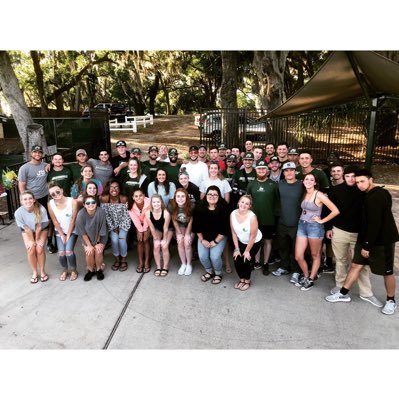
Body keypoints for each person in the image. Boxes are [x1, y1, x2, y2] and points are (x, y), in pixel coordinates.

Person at [325, 169, 399, 315]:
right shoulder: (367, 194)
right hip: (365, 238)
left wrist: (367, 246)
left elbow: (375, 223)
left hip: (382, 241)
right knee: (356, 265)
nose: (359, 184)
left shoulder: (378, 195)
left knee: (387, 271)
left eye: (362, 181)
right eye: (357, 182)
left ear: (371, 179)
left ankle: (391, 300)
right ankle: (343, 293)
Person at [295, 173, 339, 291]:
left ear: (315, 183)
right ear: (303, 181)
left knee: (315, 255)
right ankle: (305, 275)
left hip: (314, 227)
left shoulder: (319, 195)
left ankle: (311, 278)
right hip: (302, 225)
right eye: (306, 179)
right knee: (298, 256)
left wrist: (322, 221)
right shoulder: (304, 193)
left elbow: (335, 210)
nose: (308, 181)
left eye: (311, 179)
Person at [17, 145, 54, 253]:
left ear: (42, 154)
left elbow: (57, 164)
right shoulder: (24, 168)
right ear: (31, 153)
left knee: (48, 221)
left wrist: (50, 164)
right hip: (31, 199)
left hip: (44, 197)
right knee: (33, 222)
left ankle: (49, 242)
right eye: (35, 152)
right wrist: (25, 201)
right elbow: (21, 185)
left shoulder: (45, 165)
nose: (37, 154)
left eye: (39, 152)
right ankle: (33, 242)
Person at [246, 160, 279, 275]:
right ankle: (256, 261)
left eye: (263, 169)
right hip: (254, 218)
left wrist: (276, 217)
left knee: (267, 241)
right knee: (255, 240)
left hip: (268, 218)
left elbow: (277, 202)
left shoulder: (273, 185)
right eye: (259, 169)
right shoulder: (251, 184)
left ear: (267, 171)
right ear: (256, 170)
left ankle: (265, 263)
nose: (261, 171)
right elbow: (247, 201)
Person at [192, 185, 230, 285]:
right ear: (206, 195)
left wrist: (215, 241)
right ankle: (209, 271)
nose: (212, 196)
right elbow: (196, 226)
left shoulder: (224, 207)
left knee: (215, 256)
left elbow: (225, 229)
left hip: (219, 236)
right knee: (203, 256)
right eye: (209, 194)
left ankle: (218, 273)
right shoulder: (199, 206)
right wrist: (202, 240)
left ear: (219, 196)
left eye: (215, 194)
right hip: (204, 236)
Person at [273, 162, 303, 282]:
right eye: (286, 170)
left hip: (297, 223)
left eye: (291, 170)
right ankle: (284, 266)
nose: (289, 173)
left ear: (295, 171)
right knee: (283, 246)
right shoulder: (279, 184)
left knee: (296, 249)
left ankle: (296, 271)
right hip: (282, 222)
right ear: (283, 172)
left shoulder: (302, 185)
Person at [15, 191, 49, 283]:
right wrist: (32, 241)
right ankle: (34, 272)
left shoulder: (41, 209)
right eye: (25, 199)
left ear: (34, 200)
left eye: (30, 198)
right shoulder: (18, 212)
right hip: (27, 230)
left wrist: (37, 240)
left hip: (42, 229)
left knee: (39, 248)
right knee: (30, 249)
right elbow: (27, 229)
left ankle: (42, 271)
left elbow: (39, 227)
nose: (28, 201)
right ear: (21, 201)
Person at [47, 182, 79, 281]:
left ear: (62, 190)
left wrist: (68, 235)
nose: (56, 194)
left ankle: (73, 270)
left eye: (57, 191)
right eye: (53, 194)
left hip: (72, 230)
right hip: (59, 231)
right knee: (61, 252)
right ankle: (65, 270)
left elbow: (73, 219)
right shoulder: (50, 204)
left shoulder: (73, 202)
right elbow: (54, 221)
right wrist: (61, 234)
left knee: (68, 251)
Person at [230, 195, 263, 291]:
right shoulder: (232, 214)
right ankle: (242, 280)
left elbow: (253, 236)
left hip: (254, 241)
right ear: (238, 202)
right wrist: (236, 249)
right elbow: (233, 233)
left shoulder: (252, 217)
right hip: (241, 240)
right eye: (242, 202)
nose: (244, 205)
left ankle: (247, 281)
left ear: (249, 206)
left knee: (246, 260)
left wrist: (247, 251)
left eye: (247, 203)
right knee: (236, 260)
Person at [75, 194, 108, 281]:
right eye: (88, 203)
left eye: (93, 202)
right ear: (84, 205)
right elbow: (82, 232)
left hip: (100, 237)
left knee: (98, 251)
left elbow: (102, 229)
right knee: (89, 252)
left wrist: (97, 243)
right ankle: (90, 270)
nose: (91, 204)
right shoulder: (80, 214)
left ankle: (98, 269)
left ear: (96, 203)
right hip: (87, 238)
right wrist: (89, 245)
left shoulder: (101, 212)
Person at [100, 180, 131, 272]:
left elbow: (126, 215)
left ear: (120, 188)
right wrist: (113, 227)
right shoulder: (105, 198)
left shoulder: (123, 198)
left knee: (121, 239)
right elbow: (105, 215)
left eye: (116, 187)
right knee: (114, 240)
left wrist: (120, 226)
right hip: (111, 224)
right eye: (112, 187)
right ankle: (117, 260)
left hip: (124, 223)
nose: (114, 189)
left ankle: (124, 260)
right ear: (108, 189)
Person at [145, 194, 173, 276]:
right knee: (156, 245)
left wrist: (164, 240)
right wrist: (155, 238)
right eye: (154, 202)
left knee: (164, 246)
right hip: (157, 229)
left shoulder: (166, 213)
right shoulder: (148, 213)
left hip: (168, 229)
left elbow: (166, 228)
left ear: (161, 202)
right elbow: (151, 227)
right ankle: (158, 266)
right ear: (151, 203)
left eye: (158, 202)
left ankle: (165, 266)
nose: (156, 204)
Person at [171, 188, 194, 276]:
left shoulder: (191, 206)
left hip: (190, 226)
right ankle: (183, 264)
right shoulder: (172, 205)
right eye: (178, 196)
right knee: (180, 242)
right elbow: (174, 220)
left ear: (186, 197)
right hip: (180, 226)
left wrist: (187, 234)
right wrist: (179, 234)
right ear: (175, 198)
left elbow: (191, 220)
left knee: (187, 243)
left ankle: (189, 264)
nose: (180, 198)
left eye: (183, 196)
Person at [128, 188, 151, 273]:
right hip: (138, 224)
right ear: (133, 197)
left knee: (146, 239)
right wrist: (140, 230)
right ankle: (141, 262)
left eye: (140, 195)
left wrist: (145, 229)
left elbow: (147, 217)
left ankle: (147, 262)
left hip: (149, 221)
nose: (139, 198)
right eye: (136, 196)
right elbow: (135, 220)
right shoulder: (130, 205)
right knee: (140, 240)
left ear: (144, 196)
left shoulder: (149, 202)